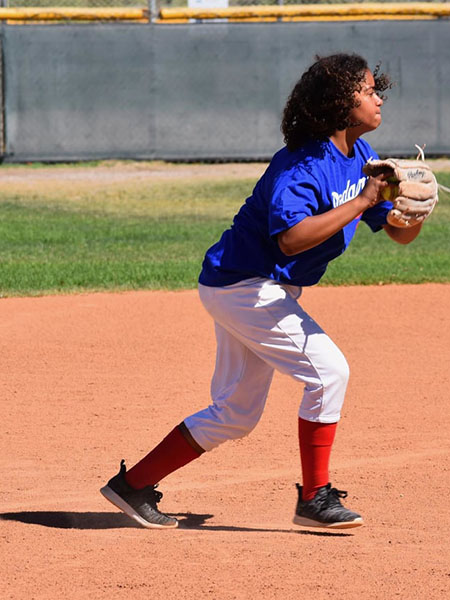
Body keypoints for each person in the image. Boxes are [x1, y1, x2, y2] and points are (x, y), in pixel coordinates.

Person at [100, 53, 423, 530]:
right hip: (244, 285)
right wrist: (363, 200)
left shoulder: (359, 159)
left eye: (378, 89)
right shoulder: (301, 165)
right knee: (329, 372)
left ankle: (132, 486)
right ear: (339, 102)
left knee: (235, 414)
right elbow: (290, 238)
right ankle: (314, 498)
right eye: (368, 90)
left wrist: (409, 214)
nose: (378, 98)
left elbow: (394, 232)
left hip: (259, 288)